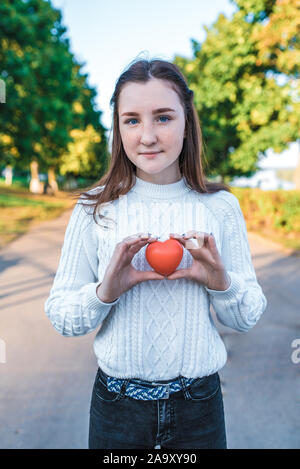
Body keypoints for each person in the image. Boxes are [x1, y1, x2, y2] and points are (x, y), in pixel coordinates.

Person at [44, 58, 267, 450]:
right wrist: (104, 293)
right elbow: (63, 317)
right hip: (117, 410)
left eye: (163, 117)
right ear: (118, 127)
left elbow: (246, 316)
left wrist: (221, 284)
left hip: (200, 406)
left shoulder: (220, 207)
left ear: (187, 122)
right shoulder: (94, 208)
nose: (147, 136)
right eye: (131, 120)